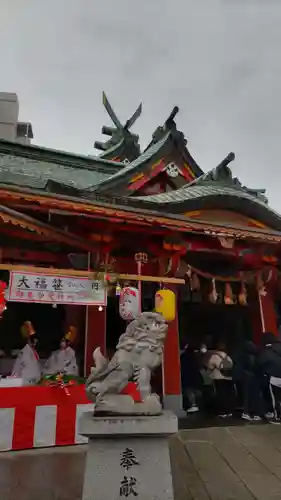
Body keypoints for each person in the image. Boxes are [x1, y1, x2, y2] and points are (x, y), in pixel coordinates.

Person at [207, 340, 235, 418]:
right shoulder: (227, 356)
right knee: (228, 395)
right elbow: (231, 365)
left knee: (220, 395)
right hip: (228, 378)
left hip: (218, 378)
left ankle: (221, 412)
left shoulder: (214, 356)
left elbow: (210, 366)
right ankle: (229, 411)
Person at [258, 332, 281, 423]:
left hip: (274, 377)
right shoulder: (279, 347)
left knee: (275, 398)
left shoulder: (264, 352)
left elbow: (260, 364)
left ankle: (277, 417)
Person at [240, 341, 266, 421]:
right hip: (253, 378)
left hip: (246, 377)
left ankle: (247, 412)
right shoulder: (253, 357)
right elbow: (255, 367)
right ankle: (255, 413)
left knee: (247, 396)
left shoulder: (243, 356)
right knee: (255, 396)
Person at [11, 321, 41, 385]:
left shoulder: (33, 351)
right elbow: (18, 368)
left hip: (34, 382)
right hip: (27, 383)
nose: (36, 341)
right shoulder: (24, 352)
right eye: (34, 339)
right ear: (28, 339)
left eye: (36, 339)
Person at [181, 341, 203, 413]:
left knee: (189, 390)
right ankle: (195, 404)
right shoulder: (196, 357)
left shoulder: (183, 357)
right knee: (195, 390)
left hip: (187, 376)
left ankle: (193, 405)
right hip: (195, 375)